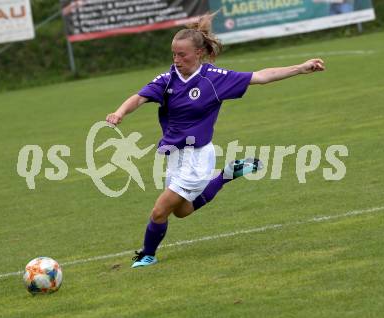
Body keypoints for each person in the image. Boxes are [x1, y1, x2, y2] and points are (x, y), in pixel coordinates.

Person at [106, 13, 325, 268]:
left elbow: (261, 76)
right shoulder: (167, 80)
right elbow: (139, 97)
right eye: (174, 54)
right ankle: (226, 175)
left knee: (159, 211)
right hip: (175, 156)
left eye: (182, 55)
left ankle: (147, 254)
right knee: (181, 211)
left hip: (197, 157)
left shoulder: (214, 78)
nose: (176, 60)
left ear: (199, 53)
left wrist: (300, 68)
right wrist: (120, 112)